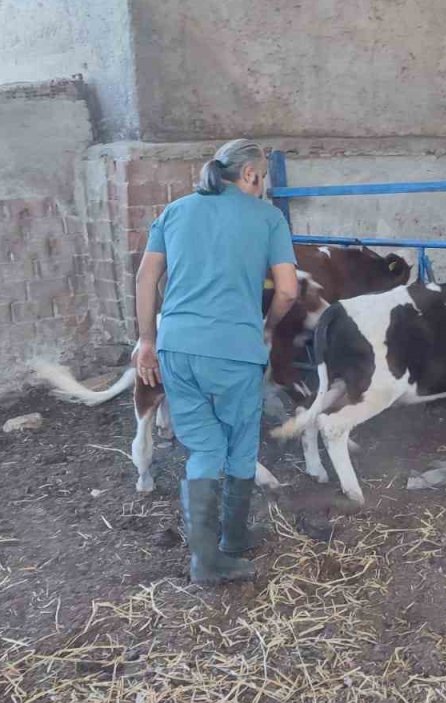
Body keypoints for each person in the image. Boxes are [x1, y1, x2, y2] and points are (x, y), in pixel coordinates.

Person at [133, 139, 299, 584]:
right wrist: (267, 326)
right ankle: (225, 546)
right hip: (234, 349)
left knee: (204, 448)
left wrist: (147, 340)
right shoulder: (267, 218)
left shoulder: (175, 211)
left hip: (176, 347)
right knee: (240, 444)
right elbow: (287, 290)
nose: (262, 185)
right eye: (262, 177)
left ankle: (212, 554)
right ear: (249, 175)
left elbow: (147, 275)